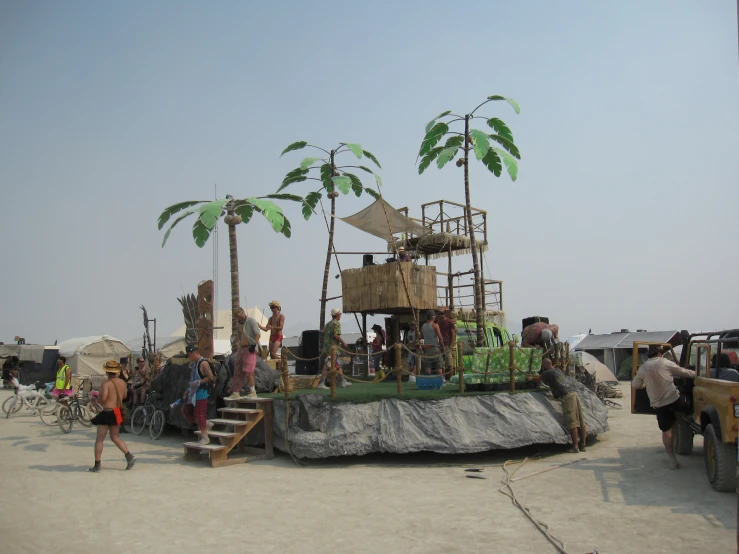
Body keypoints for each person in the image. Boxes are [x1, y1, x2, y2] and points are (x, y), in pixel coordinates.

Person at [632, 345, 696, 469]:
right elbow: (685, 373)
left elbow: (635, 385)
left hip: (659, 404)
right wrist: (702, 374)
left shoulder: (643, 368)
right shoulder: (665, 363)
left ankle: (672, 460)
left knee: (666, 431)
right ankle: (688, 422)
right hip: (674, 400)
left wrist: (644, 386)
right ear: (660, 353)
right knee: (689, 405)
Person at [530, 358, 587, 453]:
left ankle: (575, 447)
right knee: (581, 420)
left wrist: (530, 378)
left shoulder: (547, 372)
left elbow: (537, 379)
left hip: (567, 396)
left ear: (544, 366)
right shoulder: (558, 370)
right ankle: (583, 445)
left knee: (572, 422)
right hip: (574, 394)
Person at [89, 360, 136, 472]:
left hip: (108, 411)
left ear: (107, 372)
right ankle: (129, 456)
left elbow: (104, 399)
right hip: (117, 411)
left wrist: (96, 400)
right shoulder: (122, 383)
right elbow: (124, 396)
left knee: (100, 439)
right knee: (115, 437)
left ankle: (97, 465)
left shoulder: (106, 383)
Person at [182, 344, 216, 445]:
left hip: (202, 392)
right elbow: (193, 379)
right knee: (188, 411)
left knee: (200, 414)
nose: (188, 357)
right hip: (194, 393)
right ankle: (206, 424)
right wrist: (189, 389)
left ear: (193, 353)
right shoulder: (194, 364)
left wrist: (198, 383)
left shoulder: (203, 363)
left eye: (189, 355)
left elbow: (210, 377)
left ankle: (205, 437)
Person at [227, 307, 261, 400]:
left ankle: (253, 391)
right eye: (236, 317)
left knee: (249, 370)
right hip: (242, 348)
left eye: (238, 316)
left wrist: (254, 344)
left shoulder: (251, 321)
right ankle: (236, 391)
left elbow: (257, 333)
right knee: (238, 370)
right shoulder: (239, 323)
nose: (238, 318)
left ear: (242, 312)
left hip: (250, 347)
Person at [318, 308, 350, 389]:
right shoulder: (336, 324)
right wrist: (343, 342)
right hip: (333, 348)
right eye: (340, 314)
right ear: (337, 315)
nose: (340, 316)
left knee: (338, 365)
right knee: (327, 365)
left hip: (328, 347)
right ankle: (321, 383)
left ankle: (343, 381)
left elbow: (324, 333)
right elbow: (336, 335)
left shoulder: (328, 324)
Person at [421, 310, 444, 379]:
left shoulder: (423, 326)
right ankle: (441, 380)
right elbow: (440, 337)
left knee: (428, 367)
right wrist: (442, 347)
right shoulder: (435, 325)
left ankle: (429, 381)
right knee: (439, 366)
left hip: (426, 349)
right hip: (435, 348)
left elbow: (420, 337)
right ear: (433, 317)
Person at [436, 309, 456, 374]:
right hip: (440, 345)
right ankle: (443, 378)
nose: (440, 315)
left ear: (444, 314)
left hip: (447, 344)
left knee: (449, 362)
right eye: (439, 314)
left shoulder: (449, 322)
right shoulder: (438, 323)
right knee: (441, 363)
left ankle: (451, 377)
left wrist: (451, 344)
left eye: (441, 313)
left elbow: (453, 333)